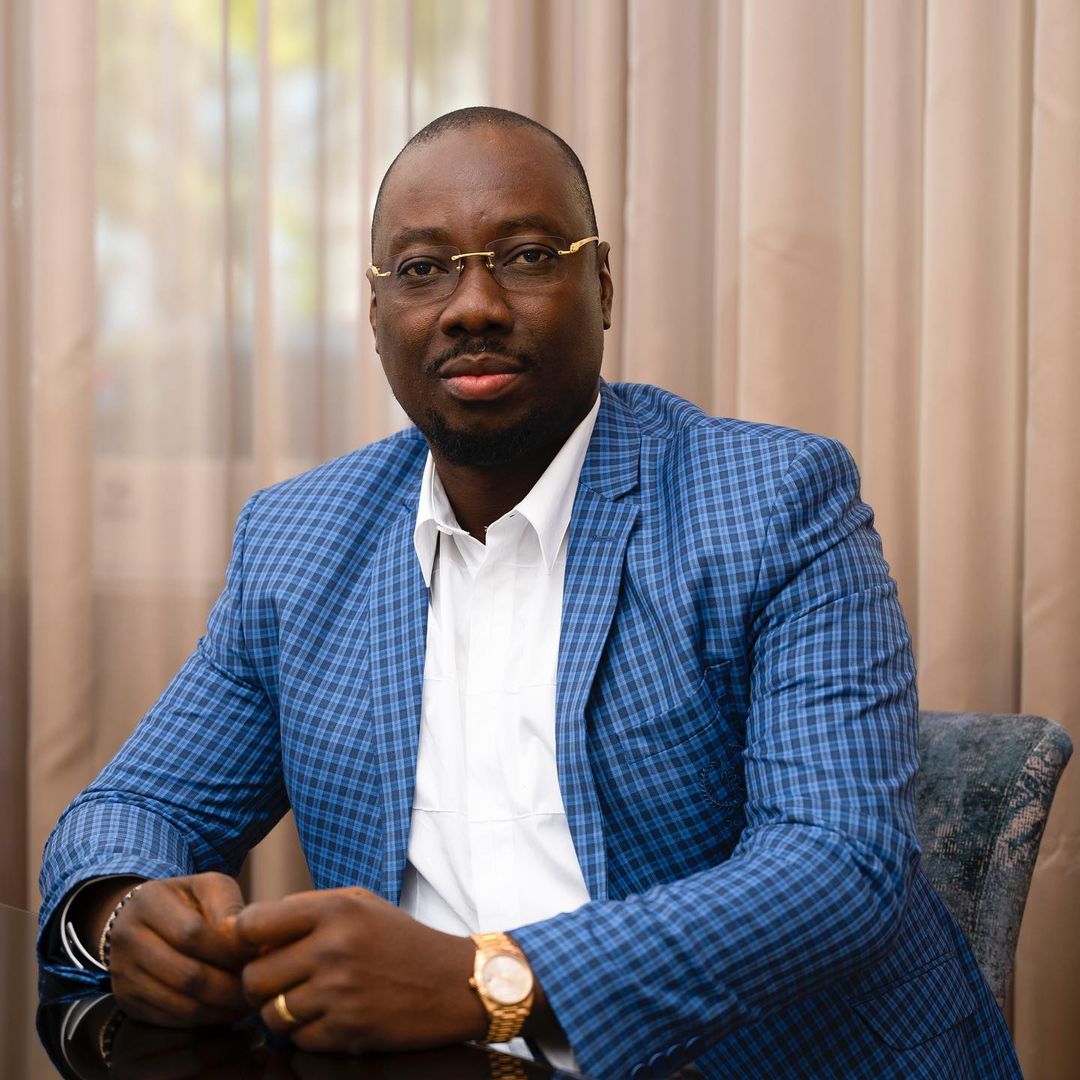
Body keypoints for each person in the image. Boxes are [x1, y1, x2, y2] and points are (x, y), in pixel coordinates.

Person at [39, 106, 1020, 1079]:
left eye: (527, 256)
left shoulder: (770, 500)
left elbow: (837, 866)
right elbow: (137, 806)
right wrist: (123, 914)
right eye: (422, 269)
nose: (472, 306)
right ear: (376, 316)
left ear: (602, 286)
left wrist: (488, 981)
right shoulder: (301, 539)